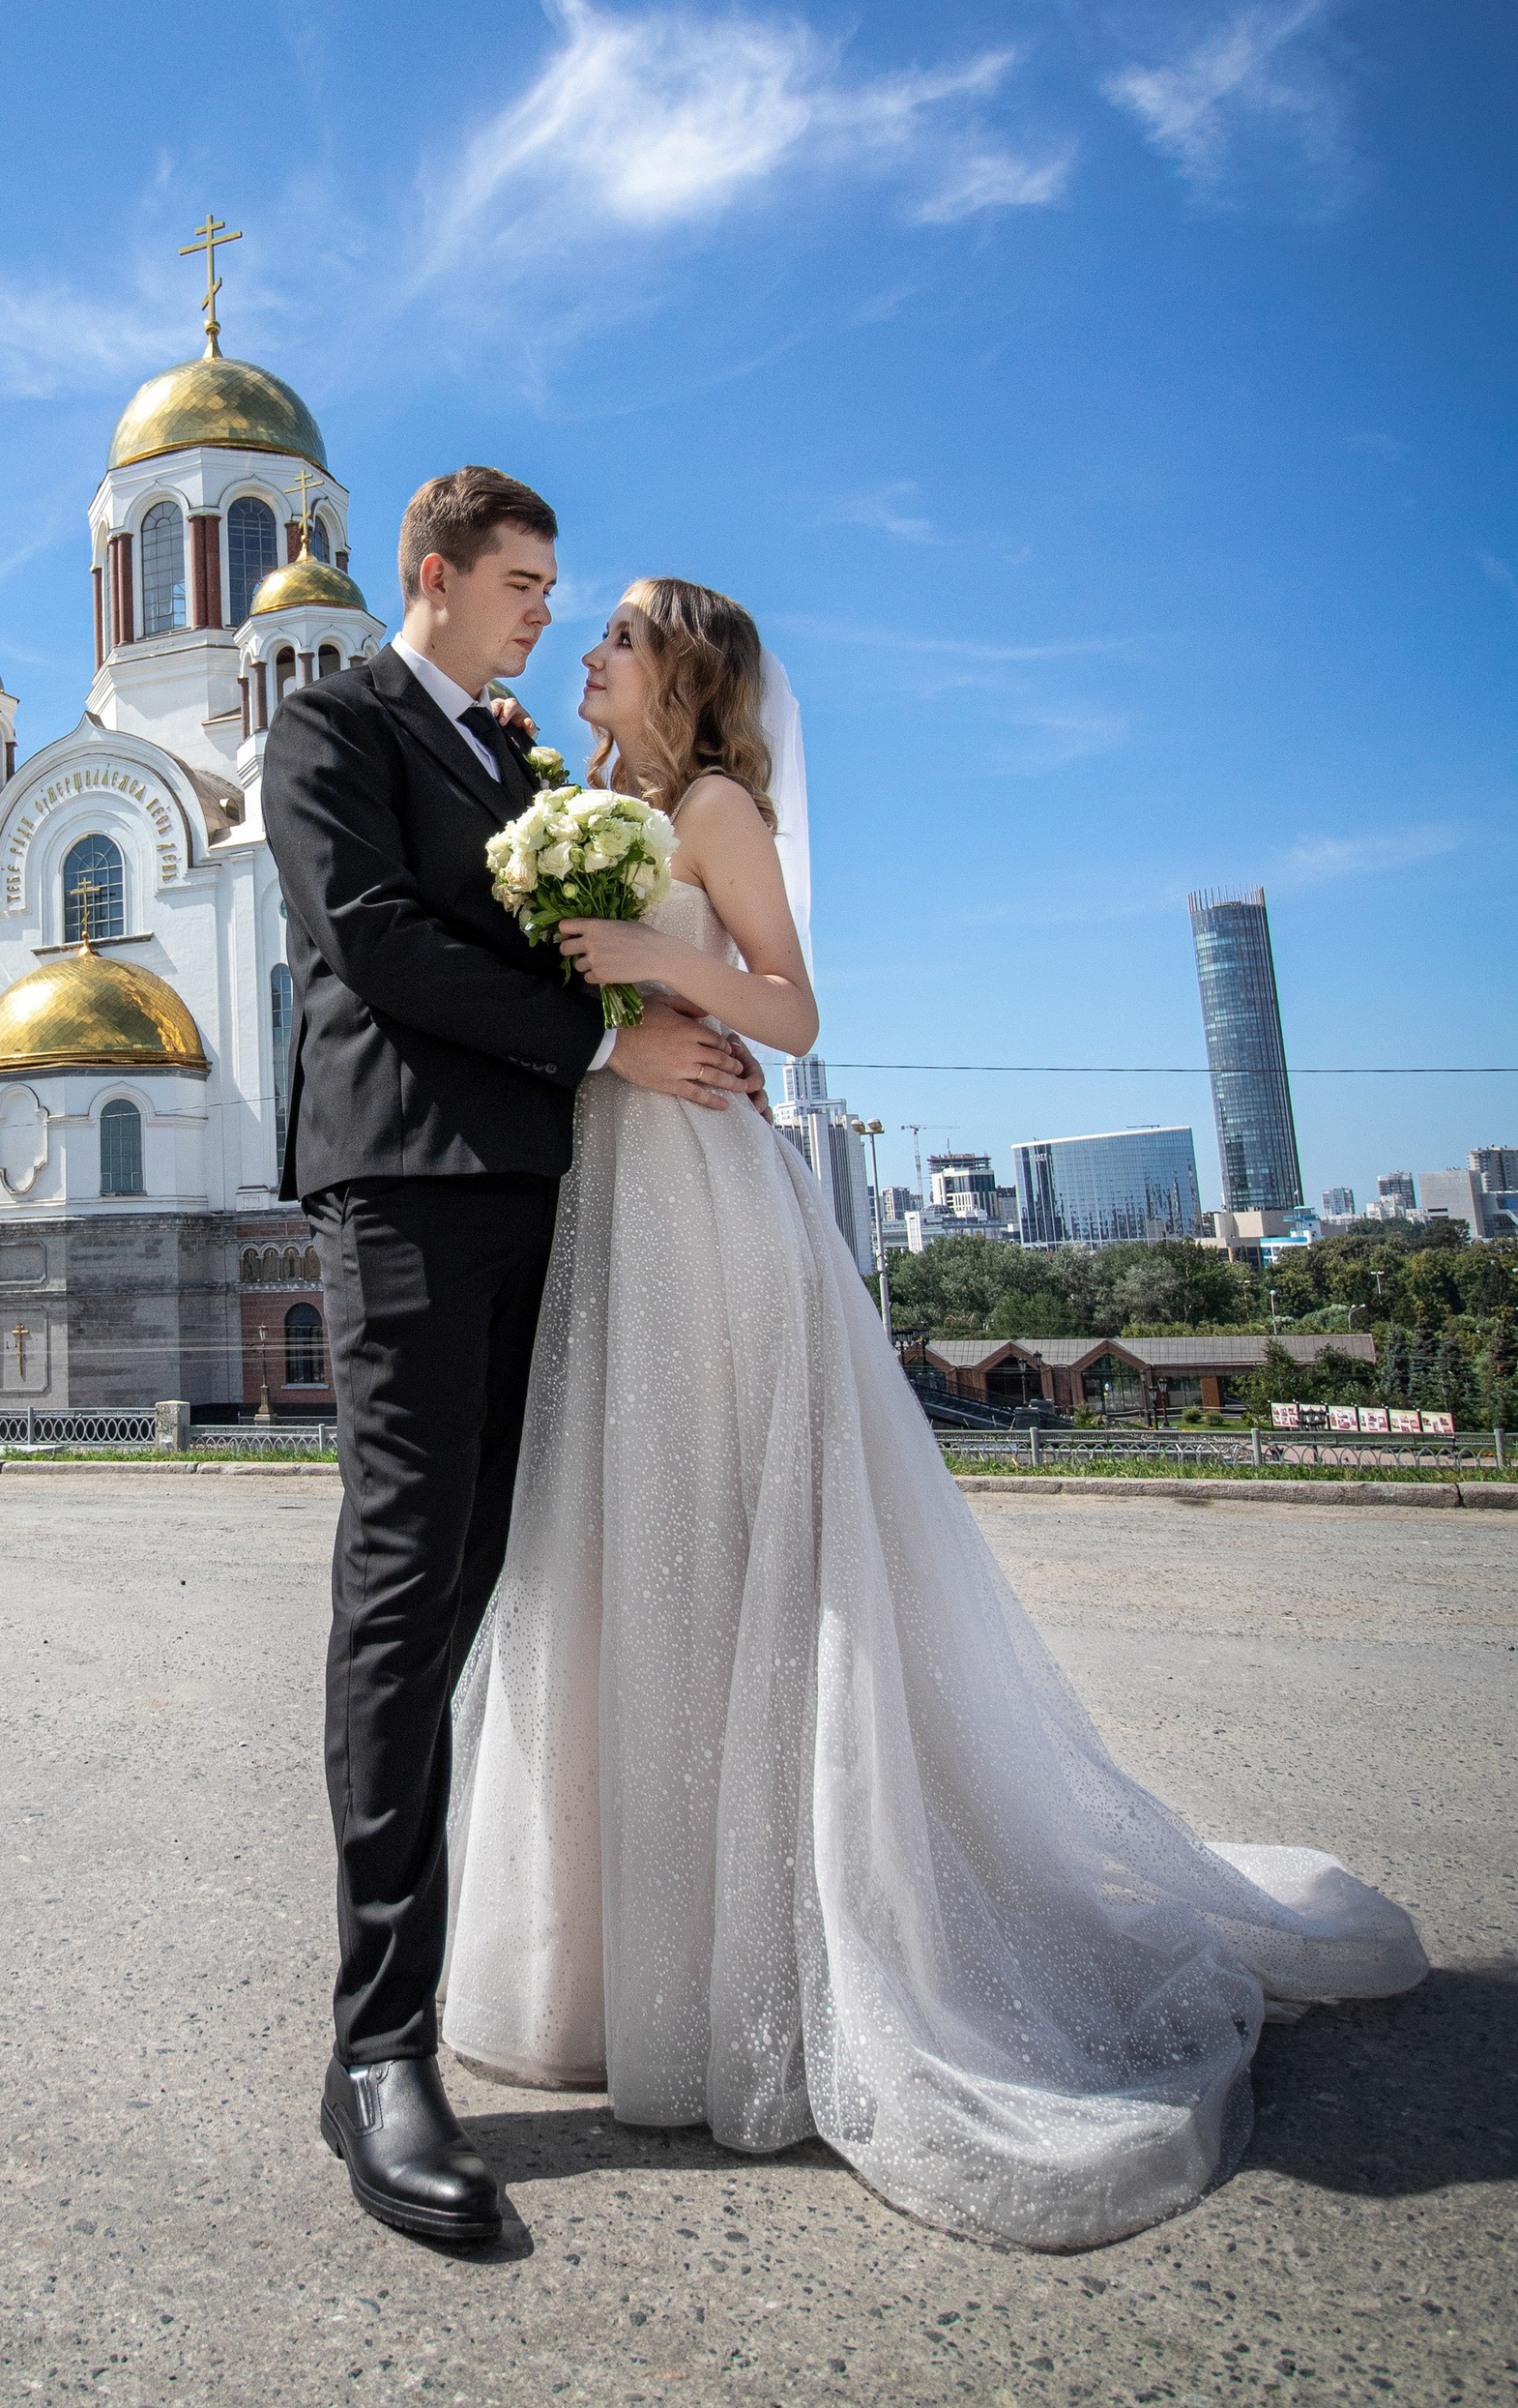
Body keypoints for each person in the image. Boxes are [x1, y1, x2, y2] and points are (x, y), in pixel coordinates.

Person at [440, 575, 1427, 2251]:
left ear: (680, 669)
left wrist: (648, 961)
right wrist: (608, 999)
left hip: (706, 1201)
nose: (585, 650)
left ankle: (777, 1962)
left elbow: (791, 1006)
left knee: (723, 1534)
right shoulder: (581, 806)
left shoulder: (713, 807)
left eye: (615, 635)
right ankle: (613, 1967)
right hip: (611, 1192)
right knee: (618, 1543)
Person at [261, 470, 769, 2250]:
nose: (547, 613)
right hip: (404, 1189)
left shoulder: (524, 766)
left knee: (492, 1581)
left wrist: (672, 1022)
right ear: (436, 573)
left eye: (558, 591)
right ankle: (377, 2051)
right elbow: (376, 941)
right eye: (524, 583)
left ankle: (495, 1971)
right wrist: (606, 1046)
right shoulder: (330, 723)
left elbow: (582, 947)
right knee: (406, 1593)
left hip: (548, 1195)